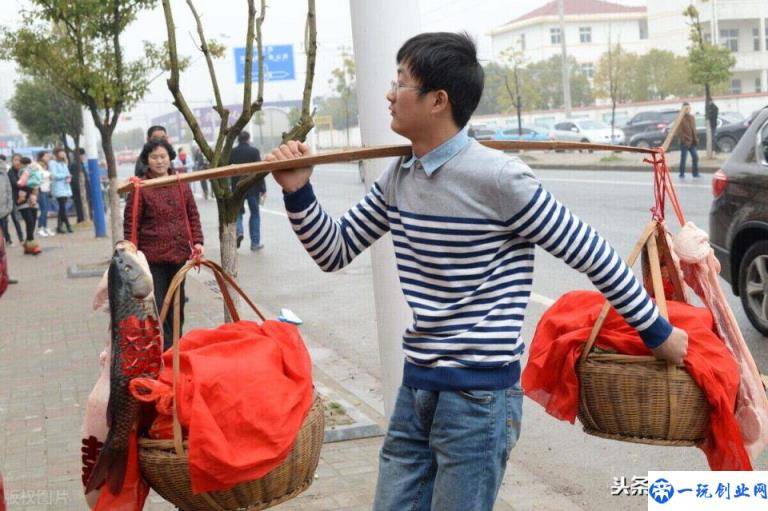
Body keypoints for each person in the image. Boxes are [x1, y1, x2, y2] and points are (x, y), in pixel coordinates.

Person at [266, 32, 688, 511]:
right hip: (418, 389)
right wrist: (297, 191)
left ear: (437, 101)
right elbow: (334, 250)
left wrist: (657, 332)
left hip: (477, 400)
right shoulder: (400, 177)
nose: (389, 93)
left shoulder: (499, 178)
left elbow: (592, 253)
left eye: (400, 83)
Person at [123, 138, 204, 349]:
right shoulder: (139, 188)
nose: (159, 161)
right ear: (146, 160)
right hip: (153, 259)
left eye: (163, 156)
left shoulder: (181, 184)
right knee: (159, 306)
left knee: (178, 305)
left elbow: (192, 215)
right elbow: (131, 224)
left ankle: (176, 345)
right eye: (154, 157)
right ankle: (165, 349)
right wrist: (130, 253)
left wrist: (197, 242)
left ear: (170, 158)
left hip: (179, 255)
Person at [230, 131, 265, 251]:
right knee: (255, 214)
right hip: (252, 188)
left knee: (238, 213)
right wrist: (263, 189)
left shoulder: (232, 152)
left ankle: (239, 232)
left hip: (237, 188)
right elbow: (260, 170)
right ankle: (255, 243)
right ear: (248, 139)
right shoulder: (254, 151)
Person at [15, 157, 41, 255]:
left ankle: (27, 245)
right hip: (23, 202)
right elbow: (18, 185)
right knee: (29, 222)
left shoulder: (30, 171)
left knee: (33, 223)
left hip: (33, 200)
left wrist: (35, 188)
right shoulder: (16, 173)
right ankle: (33, 246)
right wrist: (32, 188)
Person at [50, 148, 73, 234]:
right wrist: (65, 175)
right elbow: (55, 175)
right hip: (58, 187)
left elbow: (67, 173)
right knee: (62, 207)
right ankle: (67, 225)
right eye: (61, 152)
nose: (63, 153)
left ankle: (60, 226)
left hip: (65, 186)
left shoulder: (63, 163)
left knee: (62, 208)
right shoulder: (53, 163)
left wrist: (68, 177)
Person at [6, 155, 25, 244]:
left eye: (19, 160)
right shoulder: (10, 172)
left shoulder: (22, 171)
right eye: (15, 160)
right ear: (12, 161)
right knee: (14, 219)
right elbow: (15, 184)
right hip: (11, 199)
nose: (17, 162)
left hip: (22, 198)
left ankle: (23, 238)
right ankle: (12, 239)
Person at [35, 151, 54, 237]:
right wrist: (49, 174)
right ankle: (40, 228)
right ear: (41, 157)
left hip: (46, 189)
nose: (48, 157)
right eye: (46, 156)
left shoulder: (46, 166)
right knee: (43, 209)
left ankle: (45, 227)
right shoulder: (37, 165)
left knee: (46, 209)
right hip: (40, 190)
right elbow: (40, 176)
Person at [678, 102, 700, 178]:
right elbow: (679, 132)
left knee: (695, 157)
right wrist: (684, 140)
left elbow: (694, 129)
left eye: (689, 108)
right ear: (683, 109)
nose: (688, 109)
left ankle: (695, 173)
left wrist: (695, 138)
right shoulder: (680, 118)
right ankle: (681, 173)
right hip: (685, 142)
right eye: (686, 108)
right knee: (683, 159)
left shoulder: (692, 117)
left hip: (692, 142)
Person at [69, 148, 88, 223]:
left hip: (81, 188)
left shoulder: (80, 163)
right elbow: (75, 179)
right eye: (82, 155)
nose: (83, 157)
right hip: (78, 189)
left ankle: (82, 218)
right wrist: (81, 189)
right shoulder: (75, 164)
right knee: (79, 204)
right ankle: (81, 219)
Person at [0, 156, 13, 245]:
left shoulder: (3, 173)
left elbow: (9, 190)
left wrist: (9, 206)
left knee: (4, 226)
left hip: (3, 208)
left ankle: (6, 240)